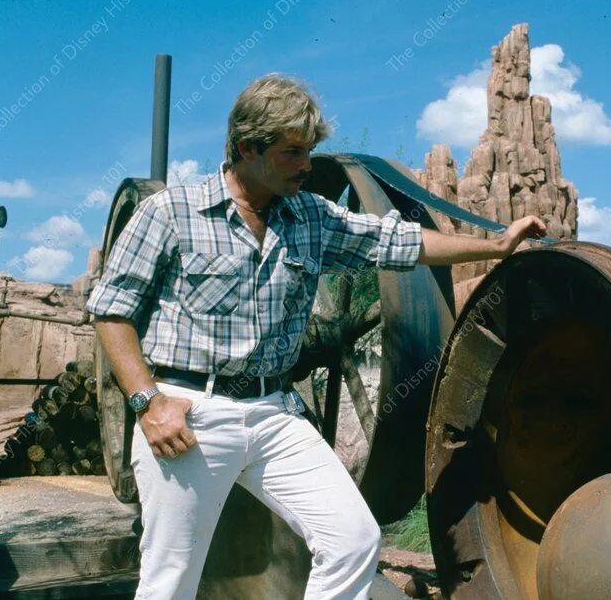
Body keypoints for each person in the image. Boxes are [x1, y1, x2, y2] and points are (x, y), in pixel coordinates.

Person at [86, 72, 547, 600]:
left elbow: (398, 241)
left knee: (352, 540)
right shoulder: (169, 213)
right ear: (246, 149)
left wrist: (495, 246)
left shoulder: (309, 216)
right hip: (190, 411)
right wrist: (148, 401)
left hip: (275, 412)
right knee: (170, 577)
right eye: (292, 153)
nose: (307, 165)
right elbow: (111, 310)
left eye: (309, 152)